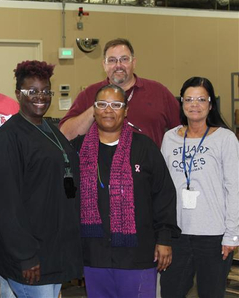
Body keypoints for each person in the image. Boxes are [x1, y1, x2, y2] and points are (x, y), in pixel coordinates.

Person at [71, 84, 180, 298]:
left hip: (137, 254)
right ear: (93, 110)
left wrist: (165, 238)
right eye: (102, 104)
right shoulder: (77, 149)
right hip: (94, 254)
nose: (108, 110)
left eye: (116, 105)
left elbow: (164, 195)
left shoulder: (145, 148)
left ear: (126, 110)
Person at [0, 60, 82, 298]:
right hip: (29, 255)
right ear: (18, 94)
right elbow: (6, 205)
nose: (40, 97)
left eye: (45, 91)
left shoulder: (50, 129)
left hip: (52, 249)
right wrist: (25, 256)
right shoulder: (9, 138)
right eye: (32, 91)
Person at [160, 77, 239, 298]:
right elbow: (162, 188)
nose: (194, 104)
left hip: (213, 235)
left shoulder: (225, 139)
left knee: (211, 293)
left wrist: (232, 234)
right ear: (182, 103)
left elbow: (235, 188)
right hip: (176, 234)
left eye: (201, 99)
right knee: (170, 292)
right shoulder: (170, 138)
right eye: (189, 99)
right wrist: (161, 233)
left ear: (210, 104)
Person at [60, 38, 180, 146]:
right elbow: (66, 135)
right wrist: (98, 106)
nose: (118, 65)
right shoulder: (89, 94)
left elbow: (183, 131)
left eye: (124, 59)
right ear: (104, 65)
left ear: (134, 62)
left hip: (148, 167)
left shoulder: (158, 92)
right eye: (112, 60)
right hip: (101, 169)